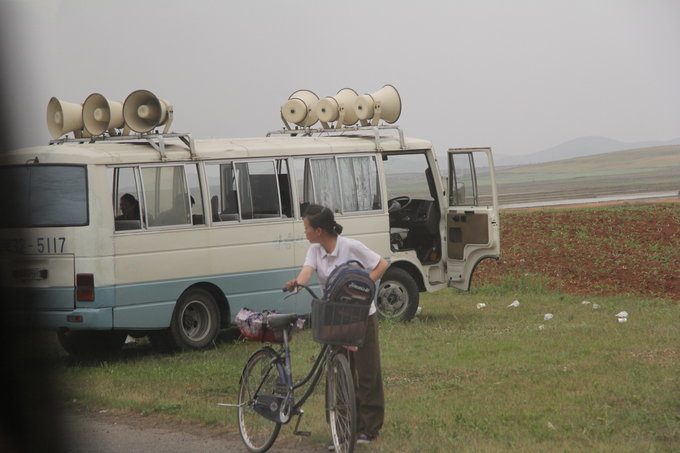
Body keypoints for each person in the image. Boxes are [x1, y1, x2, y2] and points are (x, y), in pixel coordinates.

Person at [285, 204, 389, 447]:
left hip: (362, 316)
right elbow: (306, 272)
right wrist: (298, 283)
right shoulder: (314, 250)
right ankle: (341, 427)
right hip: (335, 318)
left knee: (367, 372)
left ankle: (369, 429)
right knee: (338, 372)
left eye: (307, 227)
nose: (305, 232)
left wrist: (362, 286)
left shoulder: (350, 246)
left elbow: (381, 264)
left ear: (319, 230)